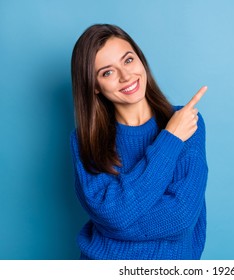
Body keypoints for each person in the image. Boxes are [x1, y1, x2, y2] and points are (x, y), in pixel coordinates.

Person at [70, 24, 208, 260]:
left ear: (140, 60)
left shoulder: (187, 123)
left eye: (128, 60)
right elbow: (112, 215)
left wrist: (114, 222)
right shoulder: (85, 139)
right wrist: (171, 140)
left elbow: (182, 216)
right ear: (94, 86)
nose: (126, 76)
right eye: (107, 72)